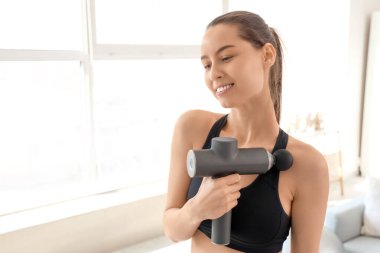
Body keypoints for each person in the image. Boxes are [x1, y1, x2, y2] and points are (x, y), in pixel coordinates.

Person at [163, 10, 329, 253]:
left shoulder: (308, 164)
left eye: (226, 57)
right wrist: (197, 208)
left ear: (267, 54)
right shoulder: (192, 128)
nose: (213, 74)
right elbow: (172, 230)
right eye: (207, 65)